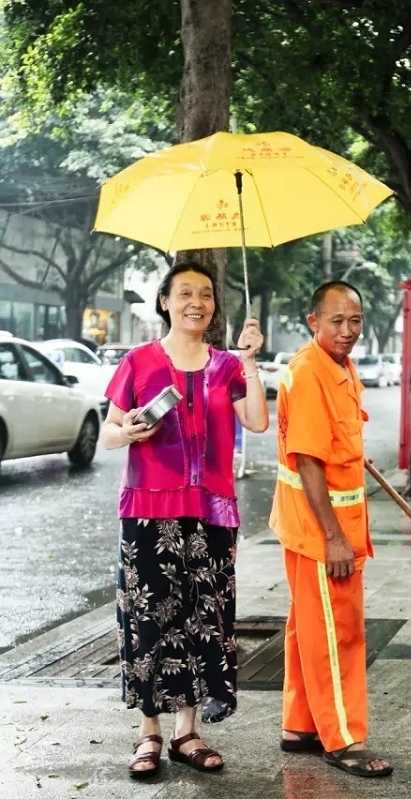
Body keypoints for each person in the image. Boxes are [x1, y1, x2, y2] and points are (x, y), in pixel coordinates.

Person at [100, 261, 268, 780]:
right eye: (186, 293)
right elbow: (107, 432)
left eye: (206, 294)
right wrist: (127, 430)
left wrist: (251, 361)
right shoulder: (138, 361)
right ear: (165, 302)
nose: (197, 301)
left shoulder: (226, 367)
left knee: (205, 620)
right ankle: (148, 733)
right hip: (149, 511)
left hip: (212, 513)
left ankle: (186, 732)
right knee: (149, 621)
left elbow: (258, 422)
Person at [269, 280, 393, 779]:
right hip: (323, 532)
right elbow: (308, 461)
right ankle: (343, 739)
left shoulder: (339, 366)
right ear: (312, 321)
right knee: (338, 634)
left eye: (355, 321)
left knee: (308, 627)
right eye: (336, 321)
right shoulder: (310, 372)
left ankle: (300, 724)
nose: (347, 331)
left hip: (313, 526)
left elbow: (335, 444)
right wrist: (336, 537)